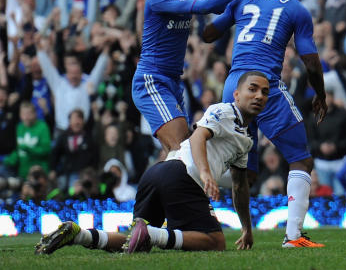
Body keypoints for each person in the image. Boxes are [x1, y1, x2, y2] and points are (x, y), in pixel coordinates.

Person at [36, 71, 270, 254]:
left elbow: (240, 187)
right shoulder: (224, 111)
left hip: (158, 174)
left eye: (264, 92)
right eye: (252, 89)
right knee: (215, 241)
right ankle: (153, 233)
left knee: (135, 243)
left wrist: (247, 228)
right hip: (183, 176)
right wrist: (206, 173)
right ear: (236, 95)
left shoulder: (247, 140)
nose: (259, 95)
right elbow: (198, 135)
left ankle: (78, 235)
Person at [202, 0, 327, 248]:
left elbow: (208, 34)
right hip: (263, 84)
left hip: (234, 85)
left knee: (246, 173)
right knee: (301, 159)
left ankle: (209, 219)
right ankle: (294, 237)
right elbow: (310, 61)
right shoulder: (296, 8)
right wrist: (320, 95)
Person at [133, 0, 268, 159]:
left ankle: (162, 192)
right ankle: (156, 190)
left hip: (174, 81)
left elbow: (218, 6)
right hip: (152, 80)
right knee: (182, 150)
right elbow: (205, 6)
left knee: (180, 153)